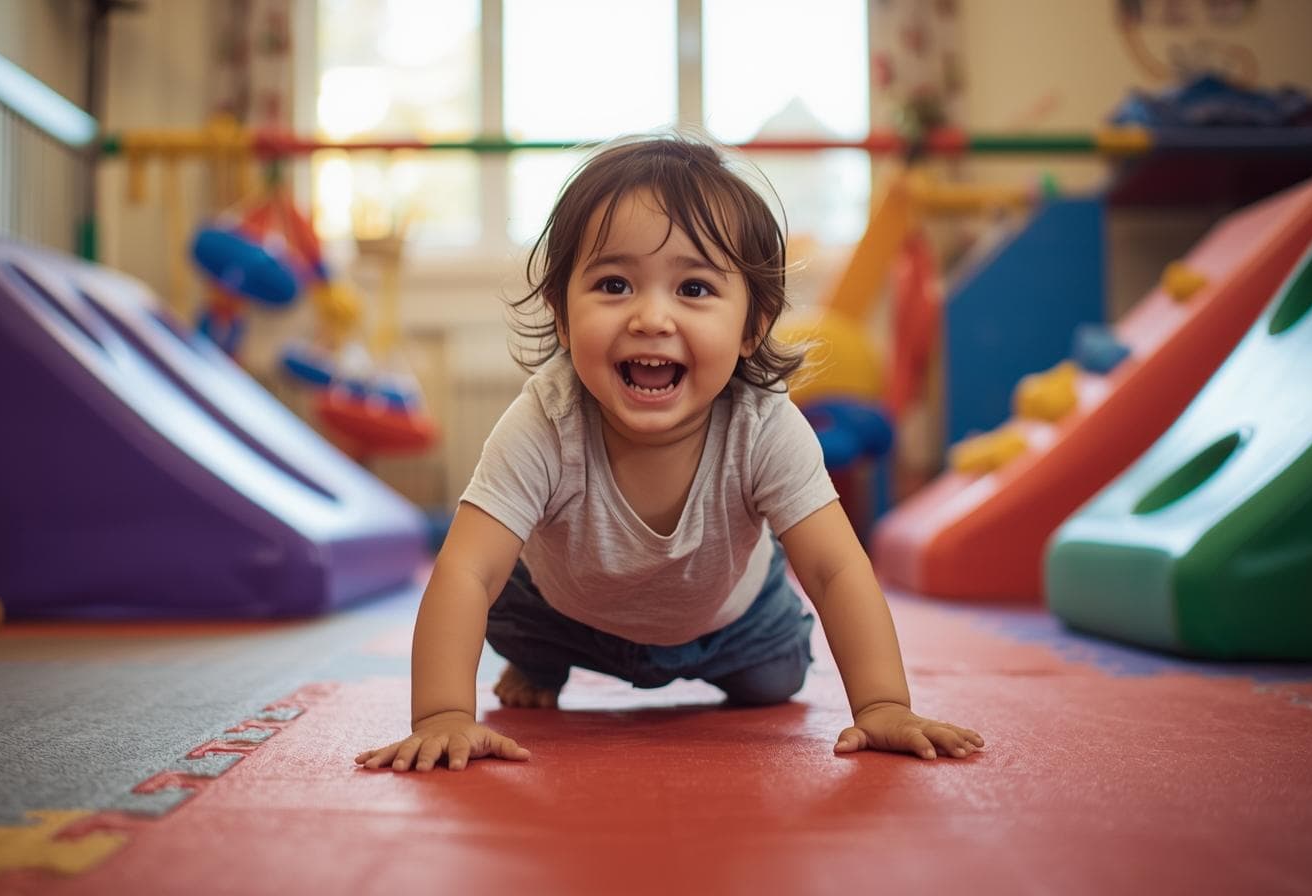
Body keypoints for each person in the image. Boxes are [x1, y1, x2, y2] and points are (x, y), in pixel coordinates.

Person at [356, 133, 983, 773]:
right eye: (615, 283)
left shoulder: (764, 425)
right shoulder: (546, 420)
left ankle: (753, 644)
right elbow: (467, 570)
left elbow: (834, 570)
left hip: (729, 620)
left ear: (753, 325)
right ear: (563, 317)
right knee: (507, 613)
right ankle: (539, 659)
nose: (652, 317)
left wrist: (883, 705)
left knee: (774, 682)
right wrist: (442, 716)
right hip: (561, 613)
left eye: (694, 290)